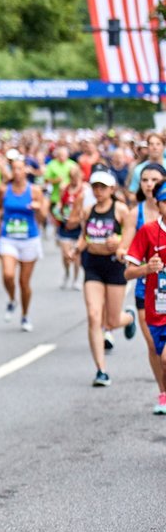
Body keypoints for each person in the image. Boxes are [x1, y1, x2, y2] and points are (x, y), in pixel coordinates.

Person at [68, 168, 136, 386]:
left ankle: (129, 318)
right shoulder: (88, 210)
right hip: (93, 266)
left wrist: (119, 243)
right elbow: (84, 237)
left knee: (112, 321)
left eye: (102, 187)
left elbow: (129, 237)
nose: (98, 191)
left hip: (114, 266)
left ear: (111, 189)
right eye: (95, 186)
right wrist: (76, 250)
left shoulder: (121, 210)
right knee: (94, 315)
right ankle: (101, 370)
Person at [122, 180, 166, 415]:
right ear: (158, 205)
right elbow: (128, 272)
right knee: (160, 356)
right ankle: (164, 393)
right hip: (157, 308)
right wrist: (147, 269)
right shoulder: (148, 231)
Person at [0, 155, 44, 332]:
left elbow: (43, 217)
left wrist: (38, 208)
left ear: (26, 170)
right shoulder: (4, 189)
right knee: (8, 274)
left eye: (20, 168)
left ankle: (25, 315)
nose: (17, 172)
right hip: (8, 237)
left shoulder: (34, 191)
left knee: (24, 282)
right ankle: (12, 299)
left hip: (29, 238)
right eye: (14, 168)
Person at [53, 163, 85, 290]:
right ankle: (66, 273)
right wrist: (58, 212)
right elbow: (61, 204)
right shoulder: (64, 188)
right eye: (71, 177)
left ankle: (76, 279)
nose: (73, 179)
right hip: (65, 224)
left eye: (75, 176)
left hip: (78, 226)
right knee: (66, 254)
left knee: (76, 255)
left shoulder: (84, 190)